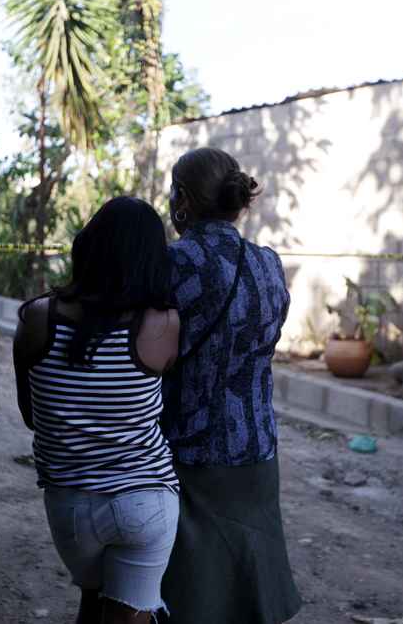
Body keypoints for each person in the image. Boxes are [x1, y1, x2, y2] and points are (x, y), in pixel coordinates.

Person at [13, 196, 181, 624]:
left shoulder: (37, 318)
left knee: (93, 604)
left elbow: (32, 415)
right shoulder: (161, 324)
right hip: (145, 502)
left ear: (89, 244)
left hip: (69, 508)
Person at [160, 148, 302, 624]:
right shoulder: (268, 264)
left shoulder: (174, 263)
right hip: (257, 449)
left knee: (192, 597)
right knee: (247, 593)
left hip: (190, 453)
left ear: (182, 200)